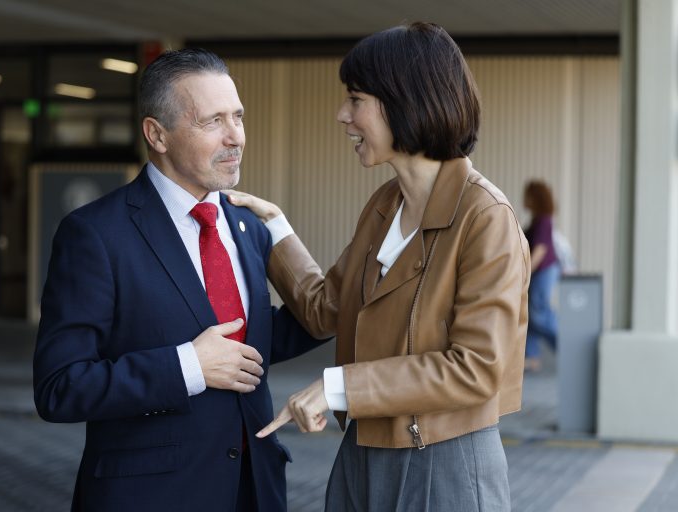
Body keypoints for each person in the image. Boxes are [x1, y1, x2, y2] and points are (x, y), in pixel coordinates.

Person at [227, 22, 530, 511]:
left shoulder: (485, 217)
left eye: (356, 99)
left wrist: (339, 388)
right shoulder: (386, 204)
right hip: (364, 451)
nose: (342, 115)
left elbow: (476, 368)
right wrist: (276, 230)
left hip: (447, 463)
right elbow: (326, 308)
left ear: (405, 101)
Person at [33, 49, 326, 512]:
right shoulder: (94, 234)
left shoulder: (247, 225)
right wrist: (187, 365)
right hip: (152, 497)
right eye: (213, 121)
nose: (235, 137)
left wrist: (344, 298)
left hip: (254, 491)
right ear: (157, 134)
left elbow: (254, 341)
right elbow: (60, 387)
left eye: (238, 117)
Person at [522, 180, 561, 372]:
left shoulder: (544, 221)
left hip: (544, 270)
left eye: (528, 195)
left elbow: (540, 250)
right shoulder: (537, 220)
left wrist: (525, 271)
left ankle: (566, 346)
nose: (524, 199)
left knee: (539, 312)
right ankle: (531, 356)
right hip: (541, 271)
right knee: (531, 311)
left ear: (536, 198)